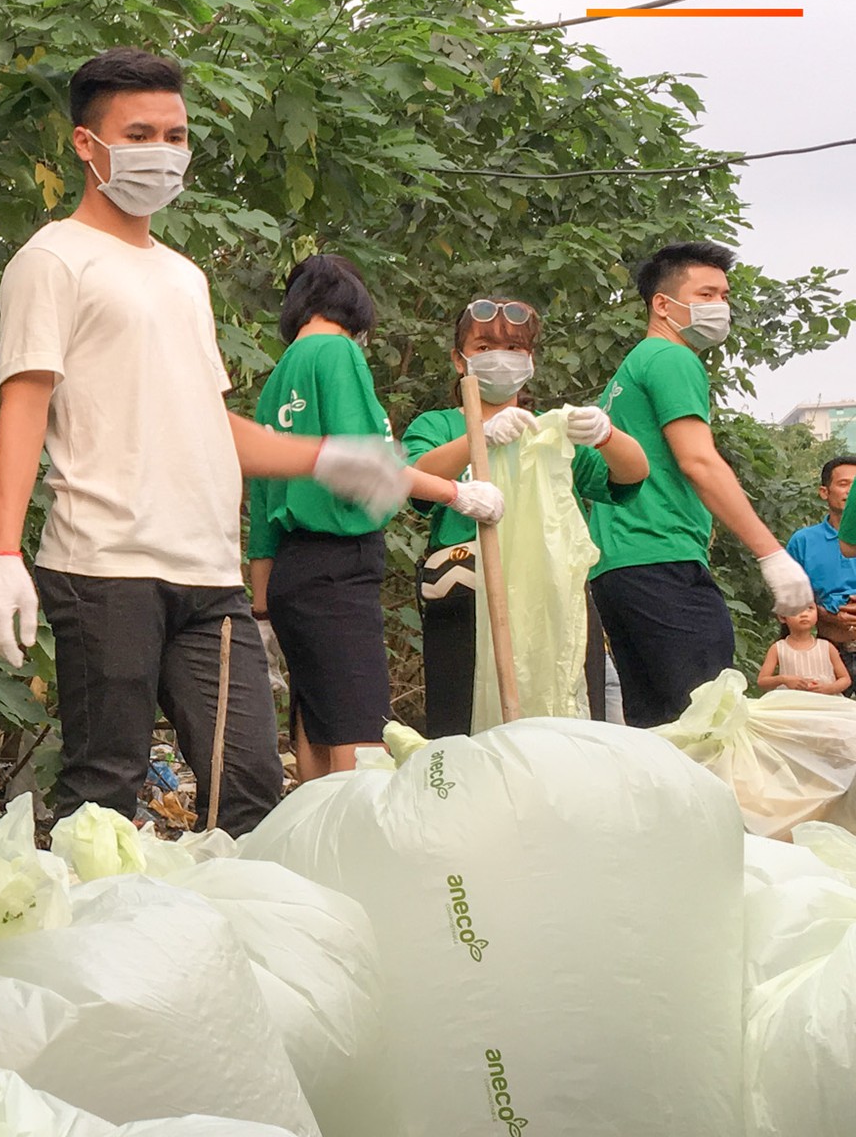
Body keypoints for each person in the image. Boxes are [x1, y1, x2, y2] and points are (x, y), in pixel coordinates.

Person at [0, 48, 418, 832]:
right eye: (140, 132)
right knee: (103, 794)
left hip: (209, 577)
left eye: (176, 135)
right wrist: (1, 556)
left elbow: (209, 424)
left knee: (247, 788)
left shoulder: (183, 276)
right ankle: (73, 948)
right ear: (87, 143)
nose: (163, 151)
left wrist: (326, 458)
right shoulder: (52, 260)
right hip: (104, 567)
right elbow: (25, 408)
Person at [245, 255, 505, 781]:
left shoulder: (277, 381)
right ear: (355, 304)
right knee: (362, 734)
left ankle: (313, 854)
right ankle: (359, 855)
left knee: (315, 725)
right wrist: (456, 493)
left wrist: (263, 606)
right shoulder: (337, 351)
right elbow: (367, 462)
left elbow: (264, 511)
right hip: (337, 562)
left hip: (292, 575)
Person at [585, 241, 815, 727]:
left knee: (661, 731)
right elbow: (699, 462)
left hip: (619, 568)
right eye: (707, 293)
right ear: (663, 305)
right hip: (661, 559)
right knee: (710, 725)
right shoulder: (672, 359)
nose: (720, 306)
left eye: (725, 295)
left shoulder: (630, 370)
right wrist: (772, 554)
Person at [403, 298, 650, 737]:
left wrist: (607, 434)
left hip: (551, 601)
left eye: (515, 348)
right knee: (463, 727)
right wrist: (479, 437)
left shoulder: (548, 433)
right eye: (484, 346)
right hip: (466, 595)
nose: (500, 357)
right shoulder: (438, 425)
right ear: (459, 359)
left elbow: (631, 474)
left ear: (531, 360)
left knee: (567, 724)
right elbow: (415, 479)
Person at [786, 454, 856, 692]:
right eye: (844, 483)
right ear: (824, 492)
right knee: (824, 722)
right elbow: (790, 598)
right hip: (824, 649)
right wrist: (827, 614)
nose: (851, 491)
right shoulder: (803, 541)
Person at [757, 603, 852, 695]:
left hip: (825, 704)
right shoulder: (778, 648)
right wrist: (784, 679)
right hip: (791, 704)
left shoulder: (827, 647)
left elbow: (845, 679)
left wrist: (828, 688)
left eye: (809, 608)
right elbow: (762, 681)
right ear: (782, 616)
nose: (804, 614)